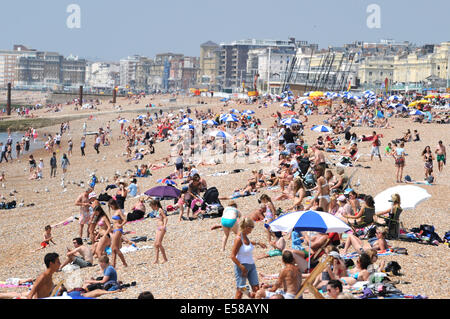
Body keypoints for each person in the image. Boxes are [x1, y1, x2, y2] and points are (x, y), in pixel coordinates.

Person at [230, 217, 266, 299]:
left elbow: (248, 243)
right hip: (242, 267)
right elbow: (232, 256)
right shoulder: (238, 239)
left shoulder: (245, 235)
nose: (252, 230)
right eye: (251, 228)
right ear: (247, 227)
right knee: (240, 292)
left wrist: (258, 243)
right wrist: (242, 267)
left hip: (251, 265)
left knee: (256, 290)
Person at [109, 199, 128, 267]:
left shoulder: (119, 211)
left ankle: (124, 263)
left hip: (118, 230)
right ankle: (113, 264)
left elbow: (125, 219)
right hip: (114, 230)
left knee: (115, 248)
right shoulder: (114, 211)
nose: (111, 207)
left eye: (111, 206)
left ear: (114, 204)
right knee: (113, 248)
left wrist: (121, 225)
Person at [149, 199, 168, 264]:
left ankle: (165, 258)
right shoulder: (156, 211)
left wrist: (164, 225)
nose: (152, 208)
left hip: (162, 227)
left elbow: (165, 218)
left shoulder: (160, 210)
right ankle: (156, 260)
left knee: (159, 243)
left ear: (156, 205)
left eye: (152, 206)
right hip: (158, 228)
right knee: (155, 244)